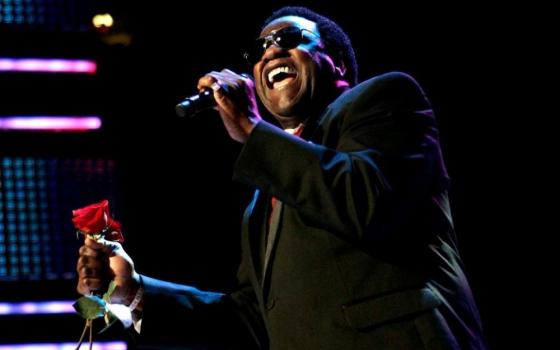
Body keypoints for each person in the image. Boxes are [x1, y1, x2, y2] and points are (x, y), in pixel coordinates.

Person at [77, 6, 487, 349]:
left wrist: (252, 129)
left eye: (289, 38)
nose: (270, 53)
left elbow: (368, 203)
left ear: (338, 62)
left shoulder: (387, 99)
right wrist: (132, 291)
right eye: (258, 50)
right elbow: (254, 318)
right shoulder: (266, 193)